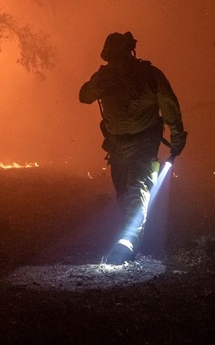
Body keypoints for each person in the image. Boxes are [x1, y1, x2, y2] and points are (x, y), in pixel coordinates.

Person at [79, 31, 187, 264]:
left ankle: (127, 243)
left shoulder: (149, 75)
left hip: (144, 142)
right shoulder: (104, 77)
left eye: (119, 57)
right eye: (112, 59)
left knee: (138, 189)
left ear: (129, 53)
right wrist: (99, 84)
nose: (116, 63)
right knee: (123, 193)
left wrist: (177, 134)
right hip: (117, 145)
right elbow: (84, 96)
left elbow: (169, 105)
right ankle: (133, 232)